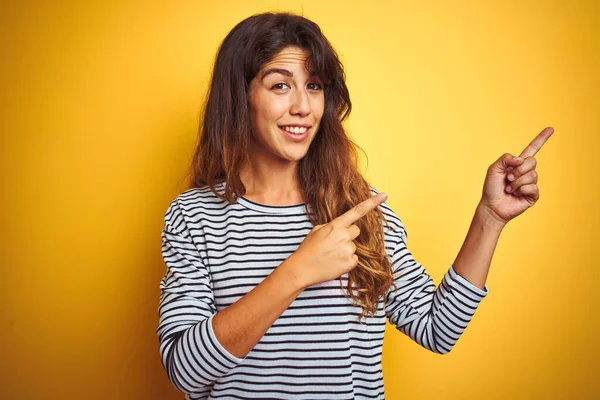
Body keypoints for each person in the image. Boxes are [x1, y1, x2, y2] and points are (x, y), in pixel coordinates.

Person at [156, 12, 553, 400]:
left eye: (314, 86)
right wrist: (296, 272)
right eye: (280, 86)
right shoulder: (195, 216)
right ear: (240, 96)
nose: (303, 107)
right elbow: (186, 373)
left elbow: (438, 329)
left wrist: (489, 219)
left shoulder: (361, 211)